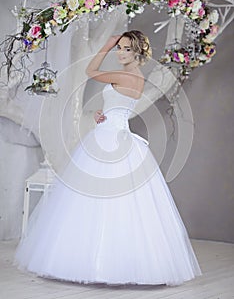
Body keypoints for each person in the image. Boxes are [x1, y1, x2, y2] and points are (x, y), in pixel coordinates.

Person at [14, 30, 202, 286]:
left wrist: (105, 45)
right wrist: (103, 114)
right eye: (119, 47)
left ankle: (100, 265)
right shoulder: (135, 78)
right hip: (112, 131)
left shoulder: (125, 75)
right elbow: (119, 107)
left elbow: (90, 71)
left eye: (126, 48)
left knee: (98, 199)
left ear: (138, 52)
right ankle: (97, 262)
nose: (120, 52)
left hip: (111, 140)